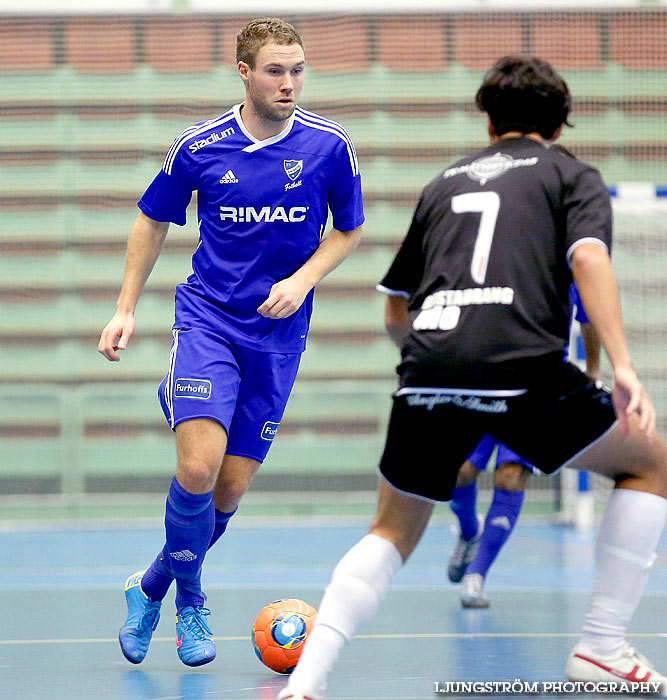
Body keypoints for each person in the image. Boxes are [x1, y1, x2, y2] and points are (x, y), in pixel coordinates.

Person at [278, 56, 667, 700]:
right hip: (522, 365)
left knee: (391, 532)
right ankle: (601, 646)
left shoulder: (444, 183)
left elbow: (395, 311)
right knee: (650, 463)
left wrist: (440, 366)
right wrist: (623, 365)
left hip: (428, 367)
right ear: (561, 125)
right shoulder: (572, 176)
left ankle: (305, 684)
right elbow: (589, 257)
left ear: (488, 123)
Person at [98, 17, 364, 668]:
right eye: (275, 70)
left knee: (229, 491)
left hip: (278, 336)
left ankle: (150, 586)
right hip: (208, 322)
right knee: (197, 468)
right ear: (243, 72)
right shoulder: (199, 146)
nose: (289, 83)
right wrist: (124, 308)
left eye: (298, 69)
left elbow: (348, 230)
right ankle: (191, 606)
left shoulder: (330, 146)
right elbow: (151, 218)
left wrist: (302, 281)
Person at [448, 282, 601, 609]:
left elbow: (591, 318)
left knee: (511, 476)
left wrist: (593, 371)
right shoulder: (507, 248)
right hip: (483, 379)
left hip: (536, 388)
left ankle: (477, 575)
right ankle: (469, 530)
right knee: (460, 471)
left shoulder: (574, 266)